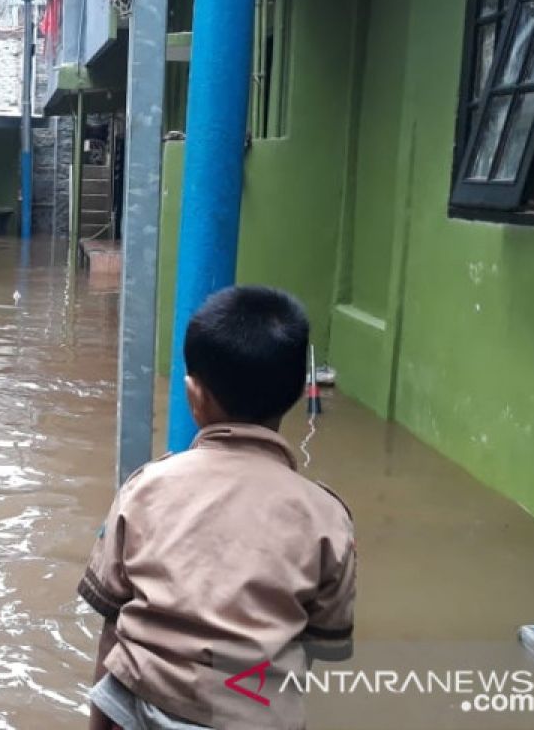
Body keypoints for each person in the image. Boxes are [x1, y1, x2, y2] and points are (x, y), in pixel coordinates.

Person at [79, 286, 356, 730]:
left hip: (146, 711)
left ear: (194, 395)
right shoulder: (327, 518)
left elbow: (112, 628)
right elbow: (321, 643)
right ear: (302, 393)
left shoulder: (145, 489)